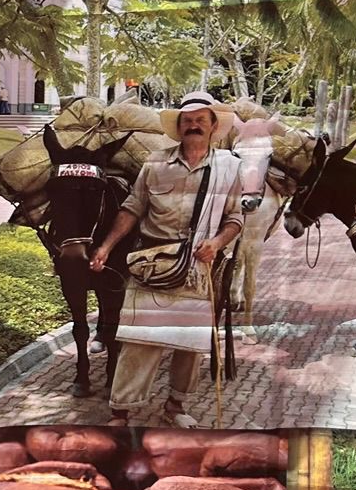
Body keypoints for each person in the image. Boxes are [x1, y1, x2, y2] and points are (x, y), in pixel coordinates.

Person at [91, 90, 245, 428]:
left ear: (212, 125)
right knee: (137, 340)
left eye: (200, 121)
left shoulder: (229, 167)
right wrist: (105, 246)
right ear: (179, 126)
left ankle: (175, 406)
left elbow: (235, 219)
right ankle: (121, 412)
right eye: (187, 121)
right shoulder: (156, 162)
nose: (193, 125)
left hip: (196, 266)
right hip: (152, 262)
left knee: (189, 345)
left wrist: (217, 243)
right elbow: (133, 208)